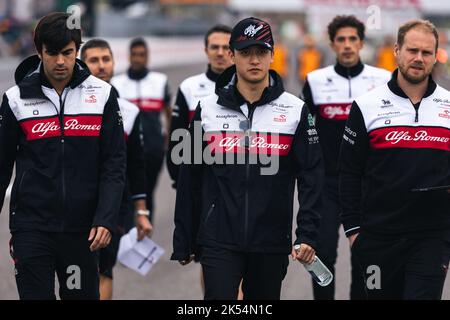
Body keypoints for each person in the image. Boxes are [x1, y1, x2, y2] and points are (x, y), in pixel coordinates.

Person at [171, 17, 324, 300]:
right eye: (245, 52)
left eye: (261, 52)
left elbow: (312, 179)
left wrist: (307, 234)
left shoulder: (296, 111)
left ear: (272, 55)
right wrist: (184, 237)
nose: (254, 60)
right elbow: (189, 176)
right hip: (218, 239)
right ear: (232, 56)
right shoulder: (206, 109)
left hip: (270, 241)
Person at [0, 12, 126, 300]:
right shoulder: (15, 99)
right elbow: (1, 165)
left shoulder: (103, 95)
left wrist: (105, 218)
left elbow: (114, 163)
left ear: (77, 50)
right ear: (39, 51)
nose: (60, 61)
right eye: (52, 53)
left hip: (82, 233)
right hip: (32, 230)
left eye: (67, 53)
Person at [339, 19, 450, 300]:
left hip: (432, 239)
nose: (418, 58)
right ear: (397, 51)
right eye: (412, 50)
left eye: (426, 53)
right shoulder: (367, 105)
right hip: (377, 238)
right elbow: (349, 172)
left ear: (435, 55)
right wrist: (354, 232)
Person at [302, 15, 391, 300]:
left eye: (353, 39)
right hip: (327, 184)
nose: (348, 45)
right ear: (332, 44)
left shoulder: (382, 80)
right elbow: (306, 134)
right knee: (323, 253)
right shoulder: (315, 81)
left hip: (367, 185)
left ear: (362, 43)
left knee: (365, 256)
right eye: (341, 39)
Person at [81, 38, 153, 300]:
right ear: (82, 64)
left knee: (103, 270)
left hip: (113, 204)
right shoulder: (68, 105)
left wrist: (141, 211)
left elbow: (136, 165)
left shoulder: (129, 111)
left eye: (106, 59)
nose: (101, 66)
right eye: (93, 60)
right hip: (74, 203)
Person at [111, 37, 171, 223]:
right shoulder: (117, 82)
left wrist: (166, 142)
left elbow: (169, 114)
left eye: (142, 55)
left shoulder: (160, 81)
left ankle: (144, 240)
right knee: (127, 193)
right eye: (135, 55)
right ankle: (128, 234)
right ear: (129, 56)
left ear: (147, 57)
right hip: (127, 150)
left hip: (154, 150)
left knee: (147, 193)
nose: (138, 59)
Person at [167, 24, 233, 186]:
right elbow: (177, 136)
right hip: (197, 179)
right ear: (206, 51)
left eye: (225, 48)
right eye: (214, 47)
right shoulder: (189, 87)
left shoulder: (245, 88)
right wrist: (178, 177)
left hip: (232, 180)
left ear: (233, 52)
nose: (220, 53)